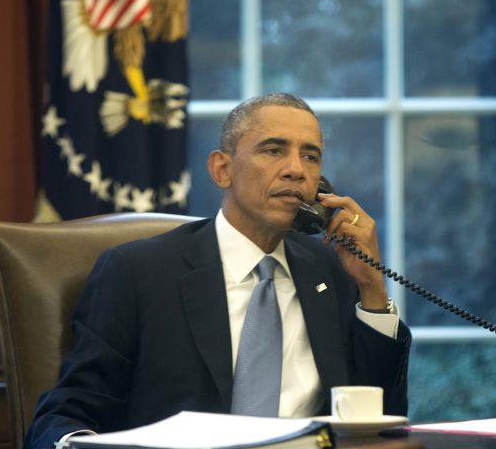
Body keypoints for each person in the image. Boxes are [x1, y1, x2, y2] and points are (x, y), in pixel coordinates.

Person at [26, 93, 411, 448]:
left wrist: (372, 289)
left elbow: (380, 419)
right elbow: (68, 411)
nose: (296, 170)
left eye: (310, 156)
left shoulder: (333, 268)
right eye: (274, 150)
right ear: (222, 169)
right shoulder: (138, 273)